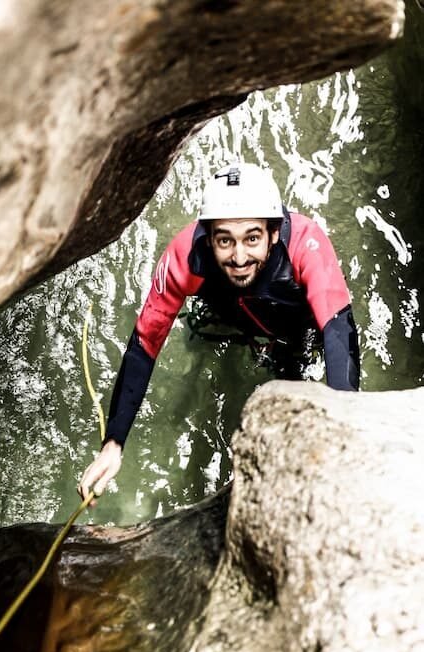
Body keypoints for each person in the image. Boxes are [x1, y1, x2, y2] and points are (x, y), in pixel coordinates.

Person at [78, 161, 360, 503]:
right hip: (224, 307)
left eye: (252, 238)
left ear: (273, 232)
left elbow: (337, 330)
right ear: (208, 238)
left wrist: (342, 435)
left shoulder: (305, 243)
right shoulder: (185, 256)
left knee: (293, 370)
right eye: (224, 240)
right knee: (210, 350)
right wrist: (113, 443)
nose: (239, 256)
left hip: (289, 317)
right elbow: (145, 343)